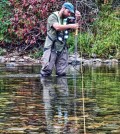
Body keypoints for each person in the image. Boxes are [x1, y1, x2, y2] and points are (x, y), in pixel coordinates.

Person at [40, 2, 79, 77]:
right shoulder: (52, 17)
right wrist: (70, 25)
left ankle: (62, 88)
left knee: (62, 73)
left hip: (62, 48)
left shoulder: (67, 19)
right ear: (63, 8)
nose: (69, 14)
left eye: (71, 13)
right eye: (68, 12)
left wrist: (78, 17)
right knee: (46, 72)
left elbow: (75, 23)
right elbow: (57, 27)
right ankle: (46, 87)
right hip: (51, 48)